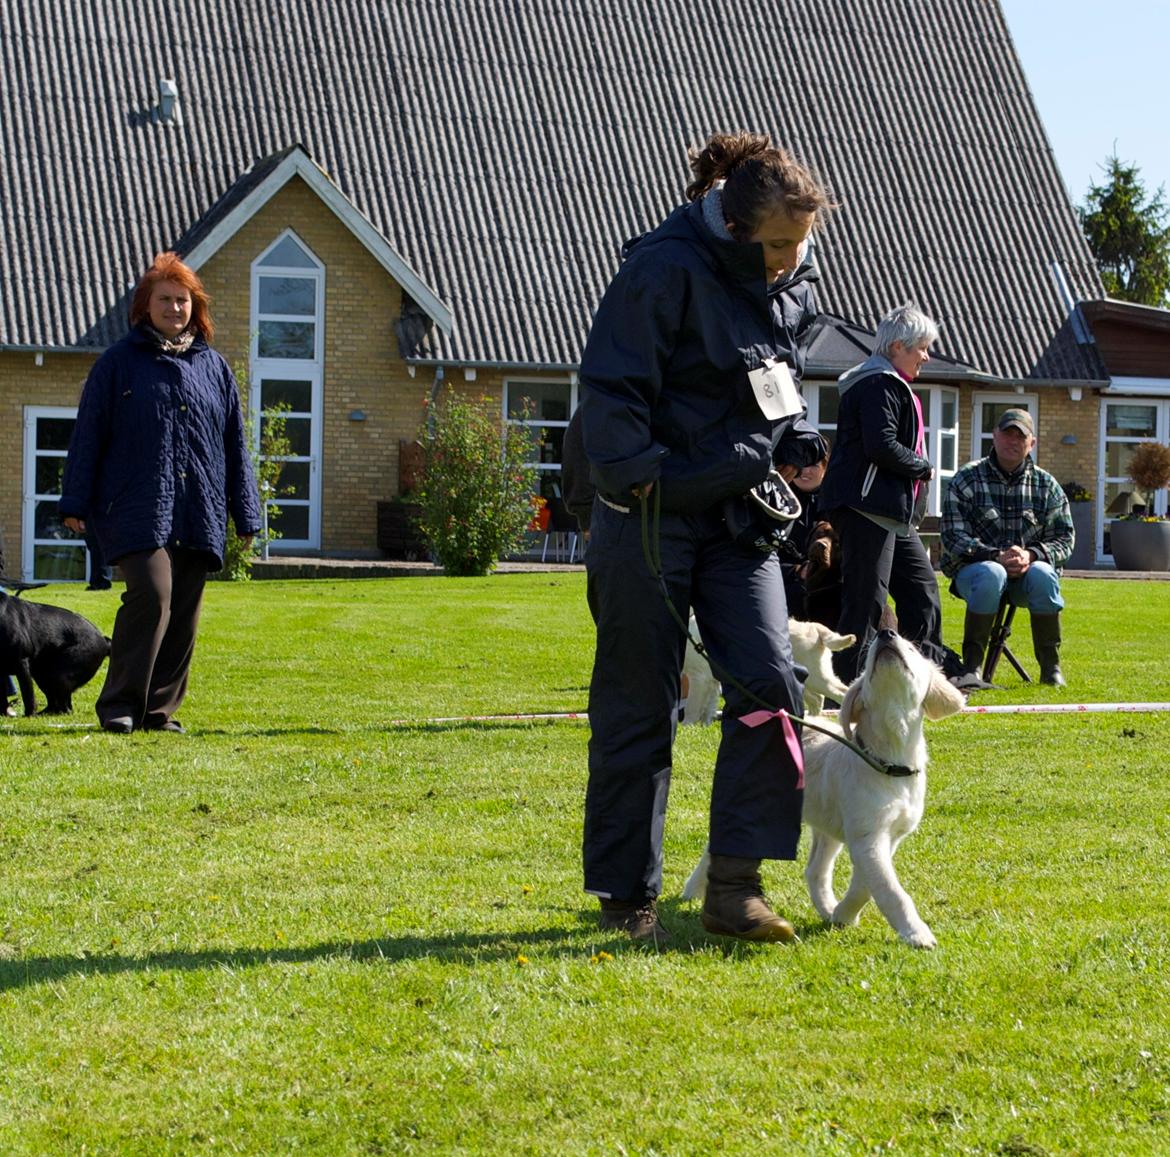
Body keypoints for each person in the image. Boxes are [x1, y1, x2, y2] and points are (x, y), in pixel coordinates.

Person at [578, 131, 834, 943]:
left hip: (736, 519)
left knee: (770, 685)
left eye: (804, 242)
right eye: (781, 244)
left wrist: (791, 438)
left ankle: (736, 887)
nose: (795, 259)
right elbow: (610, 394)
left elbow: (774, 378)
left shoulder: (787, 278)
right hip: (648, 515)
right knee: (639, 703)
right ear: (734, 224)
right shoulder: (659, 268)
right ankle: (627, 899)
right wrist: (648, 475)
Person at [60, 252, 261, 734]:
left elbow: (234, 442)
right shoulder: (117, 364)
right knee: (152, 594)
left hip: (200, 505)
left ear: (196, 307)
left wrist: (246, 512)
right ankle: (119, 707)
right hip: (134, 504)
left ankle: (158, 711)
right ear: (144, 307)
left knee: (185, 610)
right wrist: (74, 502)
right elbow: (88, 433)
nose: (175, 309)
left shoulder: (213, 368)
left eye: (183, 300)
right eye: (165, 300)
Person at [817, 303, 951, 683]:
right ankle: (845, 688)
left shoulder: (888, 384)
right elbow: (881, 446)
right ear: (896, 347)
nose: (926, 356)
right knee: (865, 605)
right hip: (867, 509)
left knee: (923, 593)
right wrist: (923, 467)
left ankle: (923, 682)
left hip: (890, 514)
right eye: (921, 347)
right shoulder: (879, 385)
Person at [941, 408, 1074, 685]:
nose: (1012, 441)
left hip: (1027, 578)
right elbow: (953, 536)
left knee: (1044, 574)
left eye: (1020, 436)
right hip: (975, 574)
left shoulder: (1047, 485)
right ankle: (972, 669)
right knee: (992, 572)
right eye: (1007, 434)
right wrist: (995, 556)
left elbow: (1065, 539)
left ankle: (1051, 670)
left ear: (1032, 443)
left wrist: (1032, 555)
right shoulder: (966, 478)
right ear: (995, 436)